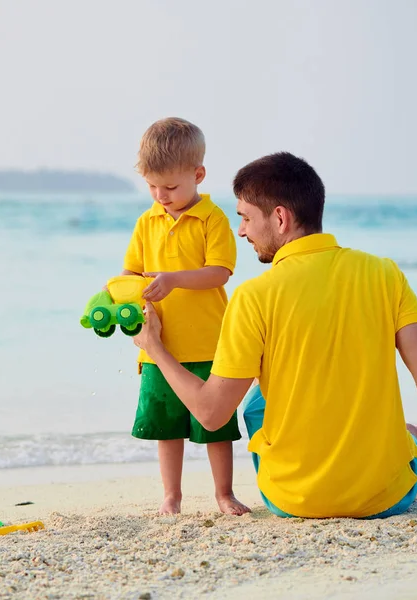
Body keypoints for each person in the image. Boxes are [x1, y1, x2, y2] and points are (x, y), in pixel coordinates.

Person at [133, 151, 417, 519]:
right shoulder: (384, 273)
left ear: (281, 219)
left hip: (292, 498)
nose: (240, 231)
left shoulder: (253, 296)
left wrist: (156, 348)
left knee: (257, 396)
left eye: (247, 219)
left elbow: (210, 414)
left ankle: (395, 438)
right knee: (320, 377)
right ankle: (403, 441)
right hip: (386, 496)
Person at [114, 117, 249, 515]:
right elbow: (131, 273)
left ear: (198, 174)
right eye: (153, 186)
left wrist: (174, 279)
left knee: (215, 428)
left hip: (209, 342)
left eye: (170, 187)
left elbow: (220, 272)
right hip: (157, 347)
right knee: (165, 428)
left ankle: (223, 494)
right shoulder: (146, 221)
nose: (161, 195)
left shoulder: (212, 219)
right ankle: (171, 497)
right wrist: (117, 294)